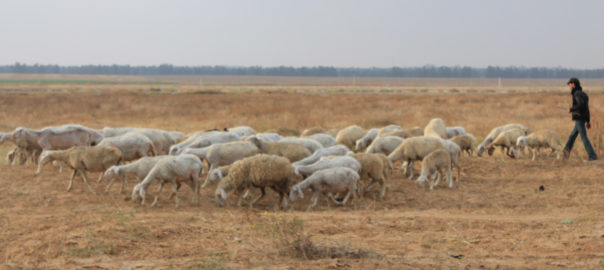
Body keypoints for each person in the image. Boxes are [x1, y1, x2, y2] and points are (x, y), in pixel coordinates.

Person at [563, 77, 598, 161]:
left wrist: (571, 109)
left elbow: (581, 105)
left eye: (570, 84)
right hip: (582, 118)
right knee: (572, 136)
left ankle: (593, 156)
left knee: (584, 137)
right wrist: (588, 121)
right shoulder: (583, 94)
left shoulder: (577, 94)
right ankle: (565, 155)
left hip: (579, 118)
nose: (569, 86)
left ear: (573, 84)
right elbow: (586, 109)